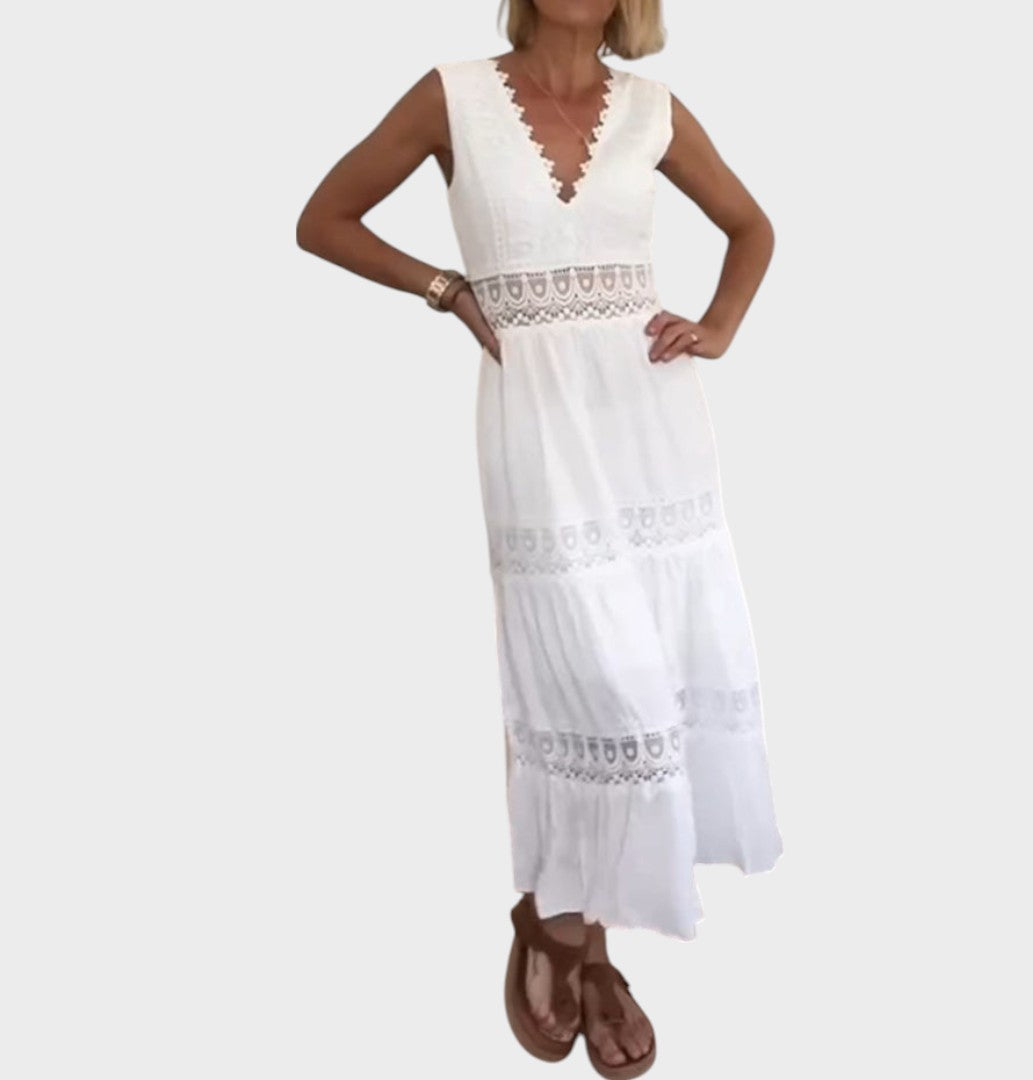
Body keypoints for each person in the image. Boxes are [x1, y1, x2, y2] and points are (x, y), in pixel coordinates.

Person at [296, 1, 783, 1074]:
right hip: (537, 421)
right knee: (579, 675)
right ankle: (562, 923)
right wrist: (445, 288)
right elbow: (323, 218)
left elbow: (753, 227)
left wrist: (718, 326)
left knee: (652, 673)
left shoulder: (653, 109)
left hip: (652, 421)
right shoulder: (453, 97)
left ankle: (578, 932)